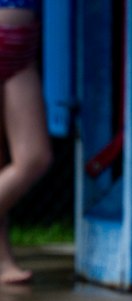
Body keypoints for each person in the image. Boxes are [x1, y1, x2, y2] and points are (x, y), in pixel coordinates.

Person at [0, 0, 51, 285]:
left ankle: (1, 261)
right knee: (32, 159)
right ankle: (2, 260)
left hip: (21, 47)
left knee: (33, 157)